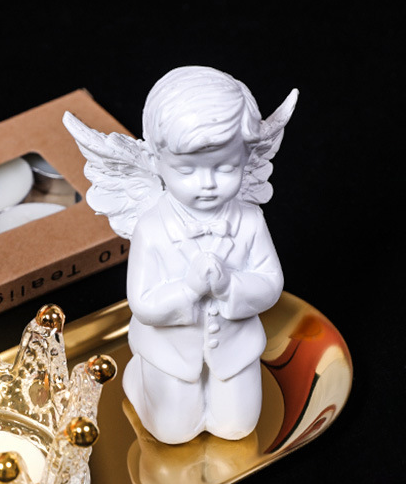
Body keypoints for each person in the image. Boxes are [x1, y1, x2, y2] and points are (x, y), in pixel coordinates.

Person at [64, 66, 297, 443]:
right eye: (187, 170)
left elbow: (271, 284)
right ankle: (139, 378)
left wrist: (230, 286)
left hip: (234, 352)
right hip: (170, 354)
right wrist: (189, 290)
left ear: (246, 157)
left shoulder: (250, 220)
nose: (208, 184)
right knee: (172, 433)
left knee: (238, 428)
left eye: (226, 167)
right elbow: (142, 302)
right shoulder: (151, 228)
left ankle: (214, 395)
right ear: (156, 163)